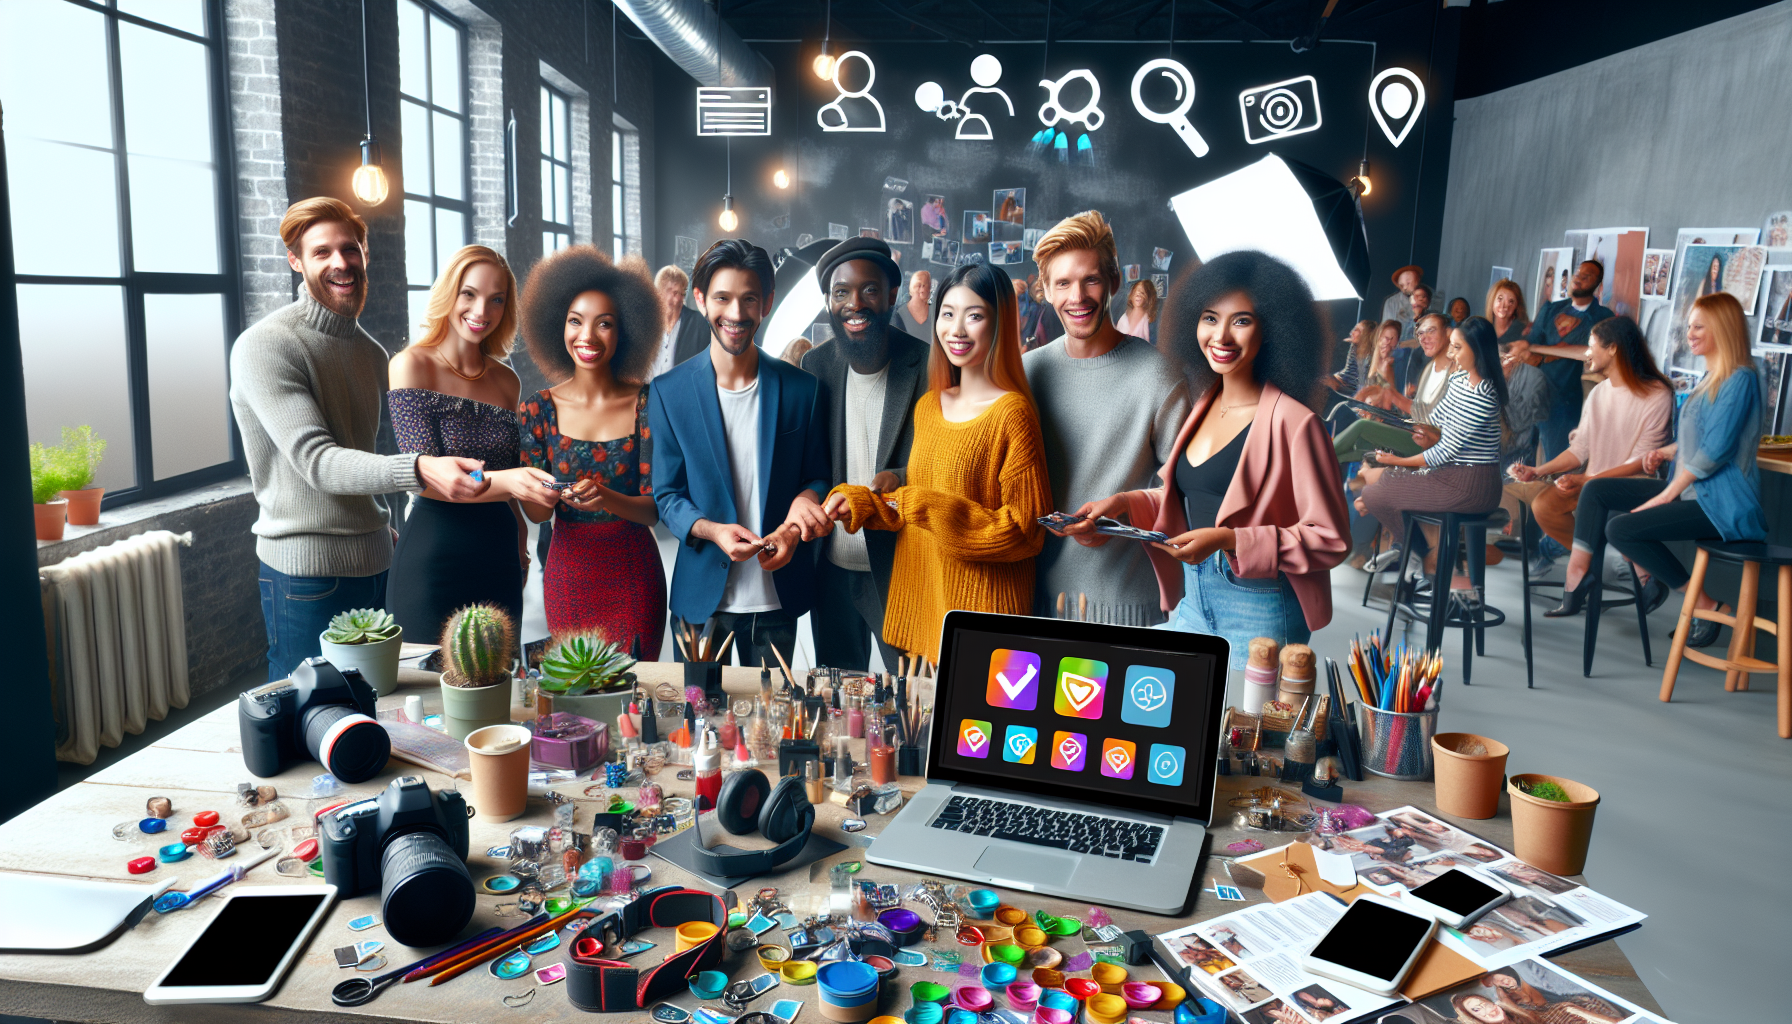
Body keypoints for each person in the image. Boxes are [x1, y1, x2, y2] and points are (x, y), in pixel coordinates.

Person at [230, 198, 487, 681]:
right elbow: (318, 462)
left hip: (378, 560)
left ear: (365, 253)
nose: (340, 262)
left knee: (377, 710)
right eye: (321, 251)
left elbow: (360, 454)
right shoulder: (266, 345)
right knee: (311, 714)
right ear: (295, 261)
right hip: (307, 575)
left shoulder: (370, 353)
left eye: (349, 249)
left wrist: (383, 524)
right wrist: (420, 468)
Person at [1076, 251, 1347, 667]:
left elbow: (1330, 538)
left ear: (1272, 329)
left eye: (1241, 320)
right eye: (1209, 318)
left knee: (1236, 732)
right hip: (1193, 599)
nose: (1220, 336)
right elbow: (1191, 494)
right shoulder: (1204, 404)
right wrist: (1125, 505)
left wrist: (1231, 540)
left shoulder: (1296, 423)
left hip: (1259, 610)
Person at [822, 261, 1051, 663]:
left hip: (985, 614)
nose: (956, 330)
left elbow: (1027, 530)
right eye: (948, 314)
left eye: (974, 315)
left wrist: (922, 504)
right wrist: (864, 503)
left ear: (1000, 324)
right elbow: (915, 503)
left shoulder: (1012, 413)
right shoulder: (930, 406)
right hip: (927, 608)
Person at [649, 239, 829, 670]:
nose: (735, 313)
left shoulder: (802, 389)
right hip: (701, 607)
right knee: (696, 731)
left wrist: (796, 519)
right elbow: (667, 495)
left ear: (766, 302)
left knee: (772, 731)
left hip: (776, 602)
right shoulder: (668, 392)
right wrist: (712, 531)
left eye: (749, 298)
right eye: (722, 298)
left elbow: (819, 476)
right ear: (700, 300)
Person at [1021, 212, 1192, 625]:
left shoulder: (1159, 377)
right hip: (1033, 602)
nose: (1077, 296)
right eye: (1062, 283)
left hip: (1128, 607)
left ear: (1114, 282)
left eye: (1091, 280)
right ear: (1044, 290)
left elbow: (1183, 496)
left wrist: (1124, 511)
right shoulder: (1028, 373)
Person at [386, 246, 557, 645]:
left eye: (496, 299)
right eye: (469, 294)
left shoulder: (506, 380)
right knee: (425, 691)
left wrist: (519, 542)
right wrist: (512, 482)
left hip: (499, 553)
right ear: (449, 293)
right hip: (434, 553)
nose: (482, 310)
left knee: (497, 690)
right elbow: (426, 479)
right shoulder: (412, 365)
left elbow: (511, 482)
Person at [517, 246, 667, 654]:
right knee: (577, 701)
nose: (586, 336)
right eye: (574, 321)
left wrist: (607, 498)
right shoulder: (536, 409)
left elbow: (654, 509)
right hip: (570, 575)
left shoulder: (648, 403)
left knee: (634, 697)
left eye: (604, 324)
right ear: (556, 326)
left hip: (634, 573)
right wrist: (542, 492)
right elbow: (536, 514)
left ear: (625, 332)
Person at [1600, 292, 1765, 649]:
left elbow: (1716, 450)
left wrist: (1666, 494)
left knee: (1622, 529)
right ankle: (1579, 577)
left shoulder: (1741, 379)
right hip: (1694, 492)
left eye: (1698, 326)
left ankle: (1704, 605)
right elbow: (1700, 441)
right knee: (1600, 492)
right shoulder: (1712, 378)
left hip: (1722, 504)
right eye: (1689, 325)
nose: (1689, 333)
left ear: (1722, 328)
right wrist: (1666, 451)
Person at [799, 237, 931, 672]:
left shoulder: (928, 365)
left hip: (899, 569)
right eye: (841, 293)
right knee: (837, 696)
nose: (855, 303)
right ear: (829, 301)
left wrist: (898, 475)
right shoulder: (816, 367)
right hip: (831, 569)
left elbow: (941, 461)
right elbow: (810, 460)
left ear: (892, 295)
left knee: (913, 693)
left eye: (869, 290)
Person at [1508, 316, 1674, 614]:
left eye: (1591, 346)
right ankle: (1595, 564)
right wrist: (1539, 471)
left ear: (1613, 349)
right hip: (1592, 485)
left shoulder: (1657, 394)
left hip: (1635, 486)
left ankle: (1587, 573)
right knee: (1544, 505)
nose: (1586, 353)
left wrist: (1586, 480)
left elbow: (1641, 462)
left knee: (1593, 497)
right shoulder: (1599, 392)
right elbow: (1580, 449)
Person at [1359, 317, 1509, 583]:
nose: (1451, 354)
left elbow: (1444, 452)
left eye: (1457, 348)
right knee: (1374, 493)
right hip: (1450, 475)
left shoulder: (1484, 394)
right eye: (1451, 346)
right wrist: (1414, 428)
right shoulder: (1460, 379)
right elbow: (1435, 420)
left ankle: (1431, 558)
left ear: (1478, 349)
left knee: (1375, 493)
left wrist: (1397, 461)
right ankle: (1430, 556)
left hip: (1472, 485)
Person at [1508, 261, 1614, 460]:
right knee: (1520, 458)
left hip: (1565, 400)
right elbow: (1529, 345)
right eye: (1578, 273)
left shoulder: (1602, 317)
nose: (1579, 278)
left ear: (1598, 285)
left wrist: (1543, 350)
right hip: (1533, 393)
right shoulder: (1551, 309)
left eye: (1587, 276)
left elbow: (1591, 353)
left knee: (1556, 461)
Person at [648, 265, 710, 380]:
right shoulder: (646, 325)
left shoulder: (698, 324)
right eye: (674, 293)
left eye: (682, 294)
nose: (679, 300)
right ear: (659, 294)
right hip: (650, 394)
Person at [1331, 318, 1378, 395]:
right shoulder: (1353, 346)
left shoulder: (1371, 356)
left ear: (1365, 334)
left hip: (1353, 389)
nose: (1352, 332)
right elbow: (1346, 373)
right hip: (1342, 381)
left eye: (1357, 330)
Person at [1116, 278, 1159, 345]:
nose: (1138, 295)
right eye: (1135, 292)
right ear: (1131, 296)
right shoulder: (1124, 317)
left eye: (1142, 293)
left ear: (1148, 298)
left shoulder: (1148, 321)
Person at [895, 268, 933, 337]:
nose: (922, 289)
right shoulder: (900, 313)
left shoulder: (935, 313)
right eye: (919, 286)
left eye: (925, 285)